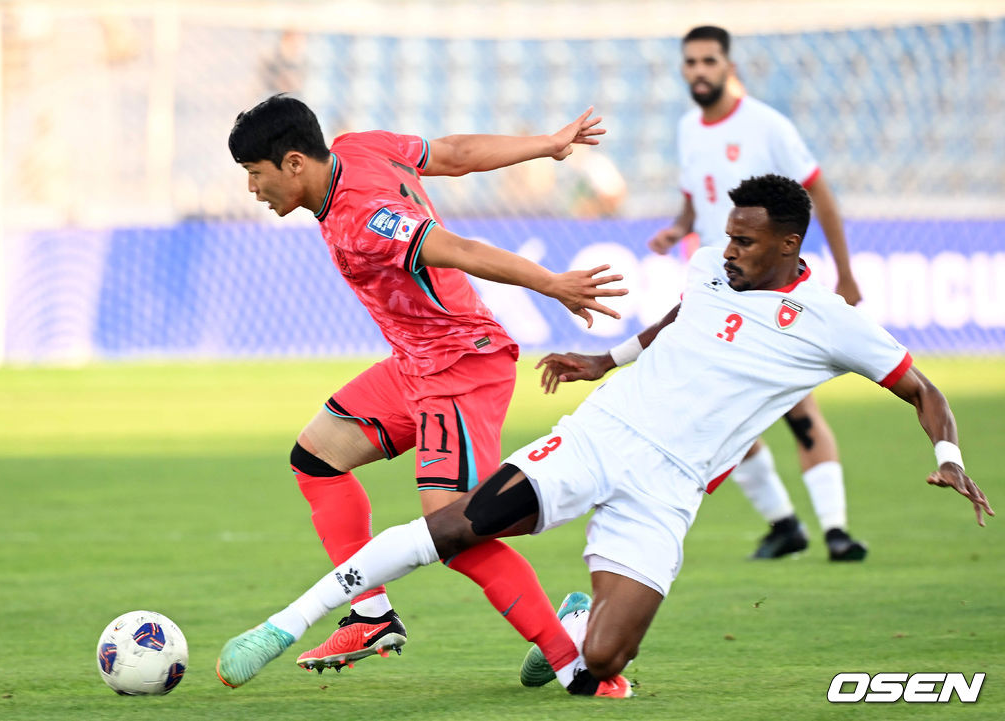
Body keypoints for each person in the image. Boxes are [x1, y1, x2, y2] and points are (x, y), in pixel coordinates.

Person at [216, 174, 992, 698]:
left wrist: (948, 457)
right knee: (456, 524)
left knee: (596, 673)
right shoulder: (715, 273)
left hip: (670, 489)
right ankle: (287, 622)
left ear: (791, 245)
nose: (729, 250)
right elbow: (678, 321)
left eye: (747, 242)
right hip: (602, 435)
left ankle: (579, 614)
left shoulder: (834, 324)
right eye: (729, 236)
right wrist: (605, 359)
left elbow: (922, 389)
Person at [221, 94, 628, 681]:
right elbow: (455, 154)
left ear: (292, 163)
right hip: (415, 364)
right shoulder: (360, 146)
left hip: (461, 365)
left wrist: (552, 284)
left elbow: (459, 249)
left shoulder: (365, 218)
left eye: (255, 175)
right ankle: (370, 614)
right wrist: (546, 144)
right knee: (315, 457)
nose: (253, 191)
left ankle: (578, 661)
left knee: (454, 530)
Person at [649, 25, 866, 561]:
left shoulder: (766, 125)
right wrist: (678, 229)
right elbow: (693, 196)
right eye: (691, 62)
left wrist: (845, 271)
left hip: (766, 287)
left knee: (793, 404)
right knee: (725, 411)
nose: (698, 71)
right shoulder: (687, 128)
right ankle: (787, 525)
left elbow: (819, 194)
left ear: (728, 64)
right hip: (716, 287)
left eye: (708, 61)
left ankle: (835, 530)